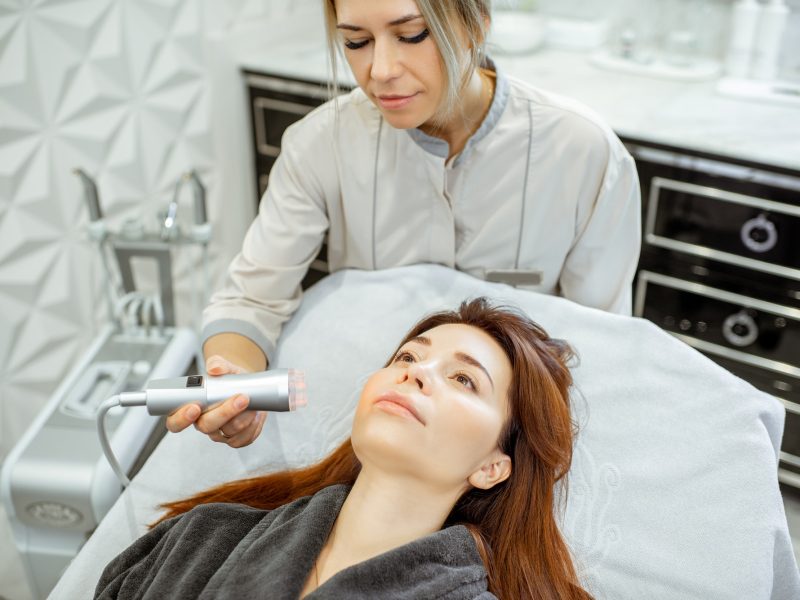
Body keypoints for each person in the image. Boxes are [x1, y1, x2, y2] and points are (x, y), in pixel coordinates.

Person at [168, 0, 640, 447]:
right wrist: (232, 382)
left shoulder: (584, 154)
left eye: (413, 35)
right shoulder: (320, 144)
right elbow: (252, 298)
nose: (381, 71)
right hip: (371, 420)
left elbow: (602, 344)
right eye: (356, 42)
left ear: (477, 21)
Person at [95, 298, 591, 599]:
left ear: (491, 467)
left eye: (463, 378)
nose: (415, 371)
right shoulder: (198, 538)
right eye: (408, 356)